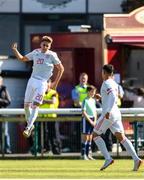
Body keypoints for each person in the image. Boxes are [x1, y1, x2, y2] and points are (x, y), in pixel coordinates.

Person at [11, 36, 64, 138]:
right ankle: (30, 125)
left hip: (42, 83)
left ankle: (29, 126)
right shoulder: (35, 52)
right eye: (43, 45)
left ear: (50, 46)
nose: (45, 47)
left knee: (35, 105)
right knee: (26, 106)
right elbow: (22, 58)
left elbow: (61, 69)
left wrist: (55, 83)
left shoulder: (52, 55)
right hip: (32, 81)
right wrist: (15, 50)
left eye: (47, 46)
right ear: (40, 44)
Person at [92, 64, 142, 171]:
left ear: (104, 73)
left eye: (102, 72)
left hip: (109, 113)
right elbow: (112, 96)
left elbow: (113, 96)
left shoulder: (106, 83)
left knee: (95, 135)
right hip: (116, 112)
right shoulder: (114, 83)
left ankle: (108, 158)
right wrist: (101, 98)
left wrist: (108, 110)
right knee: (121, 137)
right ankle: (136, 159)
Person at [39, 79, 61, 154]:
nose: (46, 85)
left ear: (50, 84)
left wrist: (43, 101)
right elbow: (36, 102)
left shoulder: (53, 92)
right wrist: (45, 101)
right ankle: (46, 150)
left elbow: (53, 101)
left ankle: (57, 151)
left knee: (54, 135)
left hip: (52, 117)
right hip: (42, 117)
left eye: (48, 83)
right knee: (44, 135)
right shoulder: (40, 92)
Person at [81, 85, 97, 160]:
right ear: (88, 92)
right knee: (85, 137)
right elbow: (84, 112)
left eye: (94, 92)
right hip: (86, 119)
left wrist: (95, 120)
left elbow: (95, 112)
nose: (93, 93)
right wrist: (90, 121)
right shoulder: (85, 100)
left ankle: (88, 154)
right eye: (92, 92)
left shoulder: (93, 100)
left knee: (90, 137)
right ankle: (83, 154)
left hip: (92, 120)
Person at [0, 76, 11, 153]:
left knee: (5, 132)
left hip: (3, 115)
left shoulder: (4, 89)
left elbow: (9, 101)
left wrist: (0, 100)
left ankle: (7, 149)